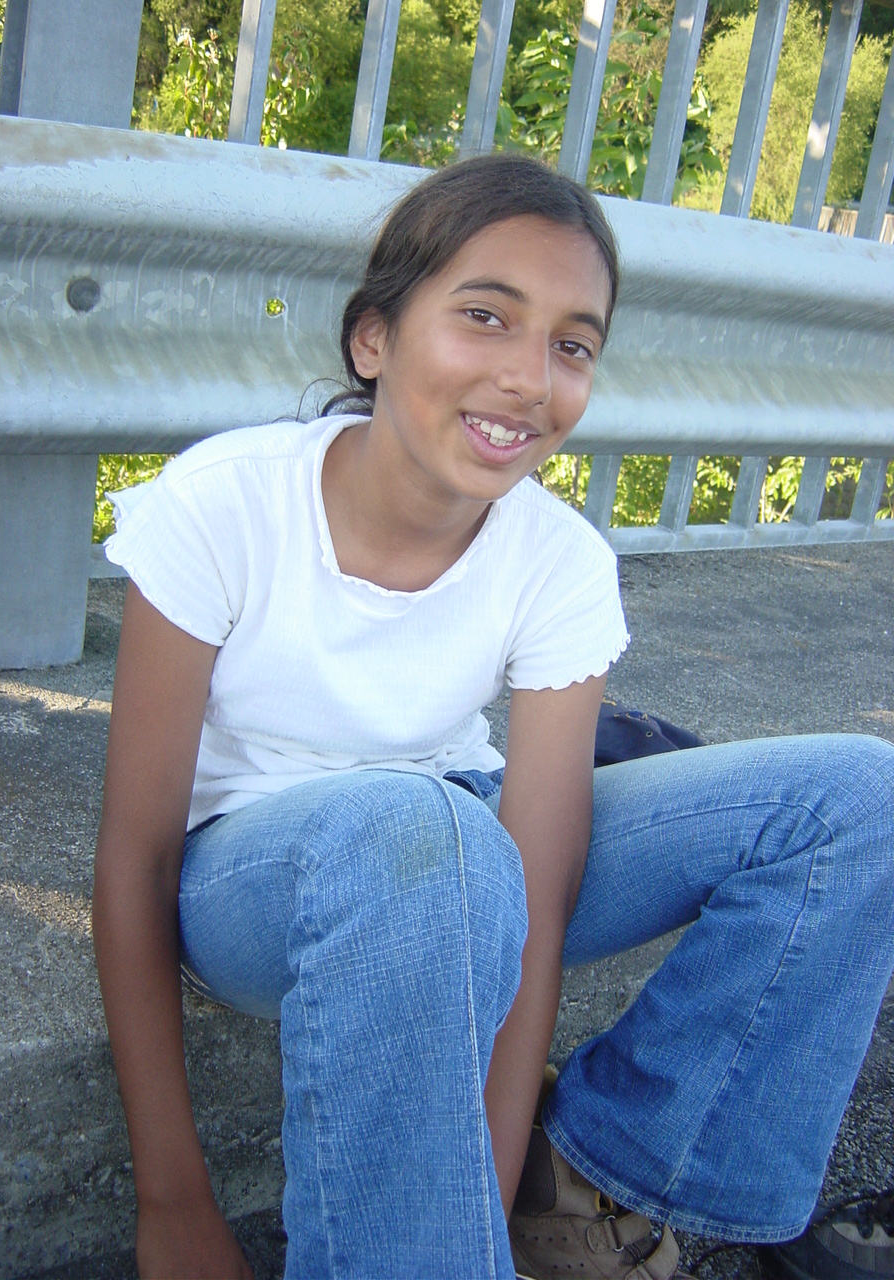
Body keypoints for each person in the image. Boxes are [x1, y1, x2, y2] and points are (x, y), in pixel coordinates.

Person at [92, 153, 894, 1280]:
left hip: (462, 847)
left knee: (856, 799)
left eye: (573, 345)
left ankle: (591, 1170)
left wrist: (487, 1172)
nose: (529, 377)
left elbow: (540, 895)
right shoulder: (222, 504)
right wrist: (171, 1200)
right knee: (429, 834)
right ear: (374, 339)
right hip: (258, 879)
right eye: (485, 317)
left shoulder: (560, 560)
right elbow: (135, 858)